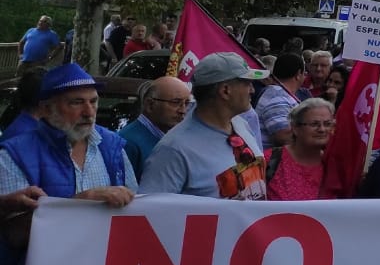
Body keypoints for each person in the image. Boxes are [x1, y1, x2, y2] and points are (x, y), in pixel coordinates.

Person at [0, 63, 136, 265]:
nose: (89, 111)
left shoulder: (113, 147)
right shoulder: (15, 152)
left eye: (93, 101)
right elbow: (14, 235)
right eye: (76, 102)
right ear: (46, 109)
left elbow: (138, 210)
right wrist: (80, 203)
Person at [142, 53, 270, 200]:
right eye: (247, 83)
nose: (252, 90)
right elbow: (152, 212)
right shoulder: (173, 150)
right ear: (225, 90)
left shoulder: (242, 125)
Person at [118, 75, 190, 180]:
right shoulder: (128, 143)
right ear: (150, 105)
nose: (183, 111)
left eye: (187, 103)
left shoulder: (171, 136)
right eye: (175, 102)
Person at [265, 98, 334, 200]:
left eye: (327, 124)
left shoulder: (333, 165)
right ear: (295, 128)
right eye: (314, 124)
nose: (322, 129)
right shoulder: (269, 160)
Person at [255, 52, 307, 147]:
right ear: (298, 74)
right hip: (269, 159)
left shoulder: (279, 93)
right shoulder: (277, 97)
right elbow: (283, 136)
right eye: (304, 73)